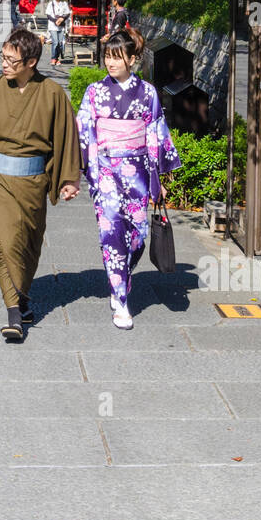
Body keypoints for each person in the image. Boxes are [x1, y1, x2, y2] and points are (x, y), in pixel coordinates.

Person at [0, 28, 81, 342]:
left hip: (33, 181)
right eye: (3, 57)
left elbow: (66, 137)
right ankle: (13, 316)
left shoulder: (52, 93)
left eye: (12, 60)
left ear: (31, 62)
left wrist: (69, 178)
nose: (4, 64)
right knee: (6, 244)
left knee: (30, 244)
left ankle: (22, 299)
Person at [76, 28, 182, 330]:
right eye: (108, 56)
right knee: (111, 235)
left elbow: (155, 133)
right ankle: (120, 299)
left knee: (137, 236)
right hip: (106, 173)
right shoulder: (94, 92)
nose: (110, 63)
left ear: (132, 59)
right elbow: (84, 130)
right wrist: (89, 170)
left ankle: (122, 273)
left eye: (117, 57)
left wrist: (158, 179)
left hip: (137, 173)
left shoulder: (147, 93)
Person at [45, 0, 71, 67]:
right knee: (55, 42)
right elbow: (48, 15)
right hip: (53, 26)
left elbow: (67, 13)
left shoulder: (64, 4)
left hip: (61, 26)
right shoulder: (51, 4)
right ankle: (53, 58)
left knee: (60, 43)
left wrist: (62, 19)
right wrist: (55, 21)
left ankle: (57, 58)